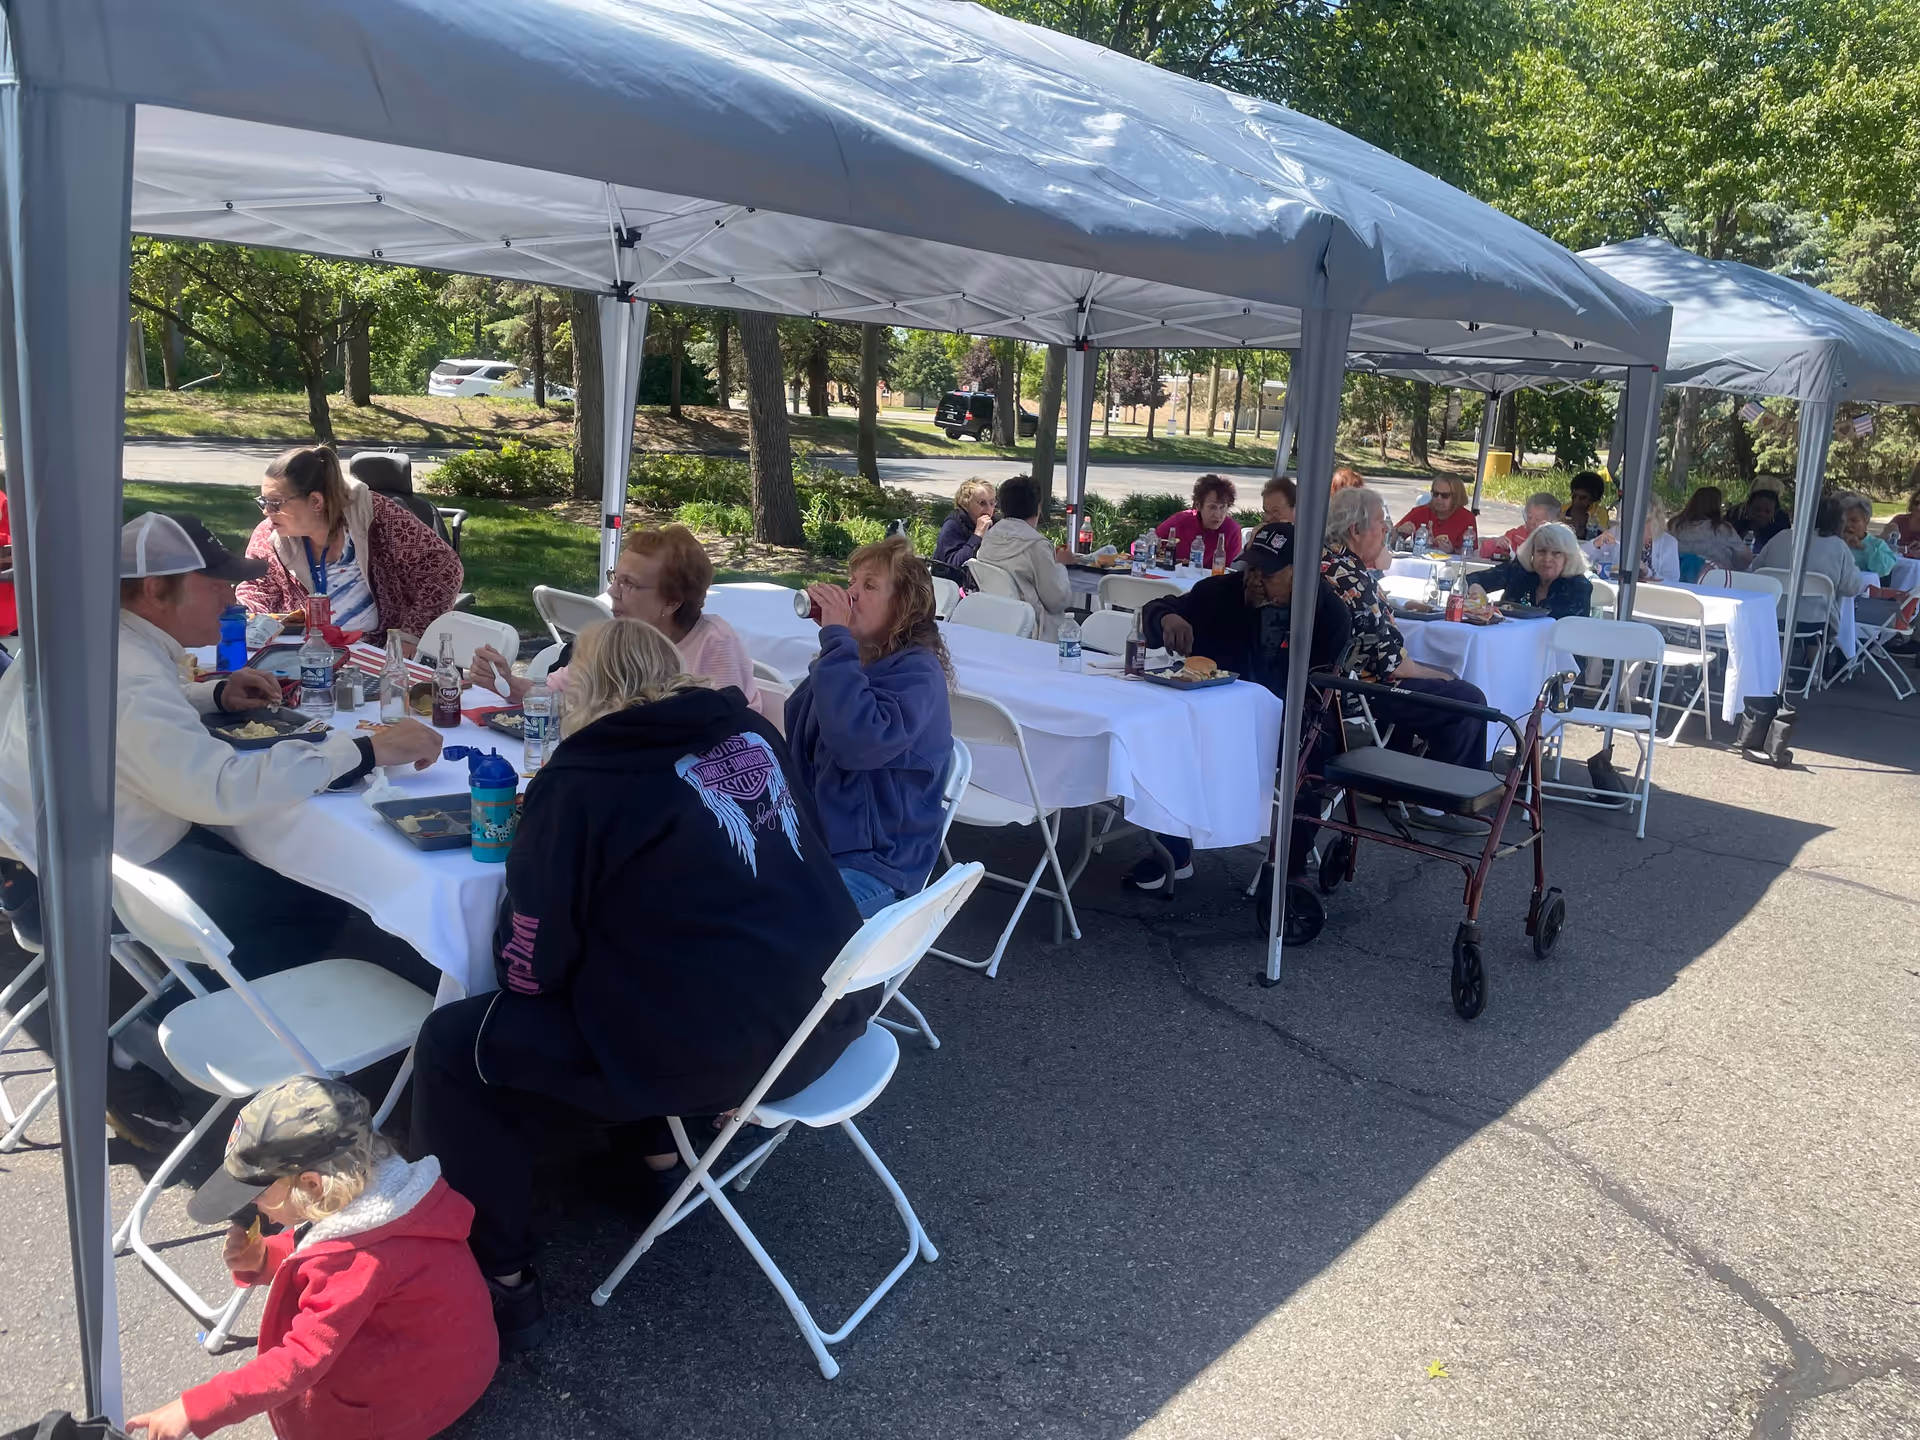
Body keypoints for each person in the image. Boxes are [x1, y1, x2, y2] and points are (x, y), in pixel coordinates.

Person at [410, 619, 868, 1353]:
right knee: (652, 956)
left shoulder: (583, 778)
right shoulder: (749, 732)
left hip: (723, 1054)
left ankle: (498, 1277)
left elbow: (528, 968)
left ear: (583, 691)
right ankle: (654, 1163)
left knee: (453, 1043)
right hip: (824, 1015)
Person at [0, 514, 444, 1148]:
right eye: (215, 585)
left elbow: (139, 721)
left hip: (66, 850)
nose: (232, 597)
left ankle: (193, 1008)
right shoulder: (125, 675)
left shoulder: (93, 641)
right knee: (316, 907)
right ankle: (147, 1042)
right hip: (120, 869)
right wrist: (366, 751)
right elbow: (219, 791)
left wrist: (212, 699)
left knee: (277, 872)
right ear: (157, 591)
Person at [125, 1076, 495, 1440]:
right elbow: (318, 1245)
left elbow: (300, 1360)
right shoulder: (382, 1193)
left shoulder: (360, 1263)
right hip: (453, 1357)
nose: (251, 1204)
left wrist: (197, 1407)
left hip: (413, 1399)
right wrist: (266, 1258)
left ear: (311, 1185)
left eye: (258, 1192)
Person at [1123, 523, 1353, 890]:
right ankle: (1172, 851)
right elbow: (1158, 607)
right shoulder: (1220, 592)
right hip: (1210, 715)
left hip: (1288, 719)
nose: (1255, 579)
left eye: (1269, 572)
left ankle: (1290, 868)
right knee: (1163, 731)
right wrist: (1168, 618)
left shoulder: (1328, 613)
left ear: (1302, 573)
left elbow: (1320, 688)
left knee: (1308, 755)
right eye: (1251, 568)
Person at [787, 536, 955, 918]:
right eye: (851, 582)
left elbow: (857, 742)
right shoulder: (851, 661)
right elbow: (800, 736)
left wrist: (836, 644)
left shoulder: (917, 674)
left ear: (903, 607)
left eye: (869, 586)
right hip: (821, 843)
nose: (851, 594)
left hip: (880, 864)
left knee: (780, 923)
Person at [1320, 487, 1490, 830]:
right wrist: (1445, 678)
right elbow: (1395, 667)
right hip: (1354, 694)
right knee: (1467, 697)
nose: (1387, 531)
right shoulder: (1354, 579)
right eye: (1382, 525)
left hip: (1326, 682)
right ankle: (1440, 805)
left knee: (1440, 682)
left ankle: (1390, 774)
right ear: (1356, 530)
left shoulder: (1329, 561)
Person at [467, 524, 764, 716]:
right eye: (615, 578)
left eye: (629, 583)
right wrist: (506, 682)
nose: (612, 591)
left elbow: (727, 731)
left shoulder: (713, 641)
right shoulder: (617, 636)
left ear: (673, 601)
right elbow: (555, 696)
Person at [236, 446, 463, 647]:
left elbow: (444, 569)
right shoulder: (269, 535)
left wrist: (410, 637)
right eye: (263, 502)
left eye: (275, 503)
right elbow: (256, 589)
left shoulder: (377, 517)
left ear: (316, 501)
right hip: (306, 649)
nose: (266, 512)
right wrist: (249, 623)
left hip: (378, 650)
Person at [975, 474, 1072, 641]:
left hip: (996, 622)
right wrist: (1060, 565)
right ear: (1037, 508)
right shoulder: (1036, 545)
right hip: (1035, 631)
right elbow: (1057, 602)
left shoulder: (990, 536)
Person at [1756, 496, 1866, 630]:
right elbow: (1851, 588)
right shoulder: (1838, 546)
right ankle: (1814, 651)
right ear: (1839, 522)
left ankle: (1777, 649)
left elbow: (1757, 571)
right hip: (1815, 621)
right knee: (1820, 622)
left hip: (1772, 616)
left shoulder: (1781, 536)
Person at [1471, 522, 1594, 618]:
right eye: (1541, 551)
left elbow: (1549, 622)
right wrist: (1476, 588)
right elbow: (1469, 579)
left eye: (1556, 553)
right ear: (1532, 552)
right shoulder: (1519, 570)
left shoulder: (1579, 587)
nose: (1547, 558)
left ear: (1568, 557)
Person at [1154, 475, 1243, 570]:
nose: (1218, 514)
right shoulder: (1180, 521)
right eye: (1212, 507)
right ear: (1198, 505)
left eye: (1222, 507)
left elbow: (1232, 571)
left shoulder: (1232, 530)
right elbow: (1144, 545)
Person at [1598, 496, 1682, 583]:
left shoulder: (1669, 543)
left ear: (1654, 521)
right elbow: (1585, 558)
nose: (1631, 527)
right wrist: (1596, 544)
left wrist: (1647, 572)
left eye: (1640, 522)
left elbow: (1672, 582)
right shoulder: (1617, 532)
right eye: (1628, 521)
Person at [1669, 487, 1749, 572]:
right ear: (1717, 505)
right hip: (1714, 579)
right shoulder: (1722, 529)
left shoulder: (1674, 525)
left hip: (1677, 577)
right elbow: (1745, 558)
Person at [1394, 474, 1475, 553]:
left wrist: (1452, 551)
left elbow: (1473, 553)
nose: (1438, 499)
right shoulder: (1420, 512)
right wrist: (1399, 531)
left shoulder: (1467, 518)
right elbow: (1386, 539)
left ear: (1456, 497)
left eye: (1445, 495)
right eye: (1435, 494)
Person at [935, 478, 996, 571]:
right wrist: (977, 535)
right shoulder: (953, 524)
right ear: (965, 504)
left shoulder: (994, 522)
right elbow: (951, 566)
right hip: (951, 582)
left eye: (992, 503)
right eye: (982, 503)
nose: (989, 508)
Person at [1838, 492, 1899, 579]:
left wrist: (1863, 547)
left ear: (1866, 521)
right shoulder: (1835, 541)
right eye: (1844, 520)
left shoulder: (1877, 544)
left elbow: (1884, 570)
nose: (1848, 525)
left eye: (1854, 520)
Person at [1726, 477, 1792, 549]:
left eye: (1767, 511)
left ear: (1774, 512)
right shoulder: (1735, 524)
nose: (1762, 514)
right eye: (1757, 510)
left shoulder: (1780, 531)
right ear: (1748, 508)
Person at [1495, 493, 1563, 558]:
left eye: (1538, 519)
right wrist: (1499, 545)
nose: (1532, 522)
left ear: (1553, 522)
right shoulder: (1515, 536)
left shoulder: (1560, 543)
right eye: (1529, 517)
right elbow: (1496, 554)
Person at [1563, 471, 1611, 541]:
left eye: (1583, 498)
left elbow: (1603, 535)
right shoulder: (1564, 509)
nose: (1577, 501)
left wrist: (1583, 523)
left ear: (1594, 498)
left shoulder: (1600, 513)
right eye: (1574, 496)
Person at [1882, 475, 1920, 554]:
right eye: (1916, 503)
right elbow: (1880, 545)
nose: (1918, 507)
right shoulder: (1899, 521)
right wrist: (1886, 534)